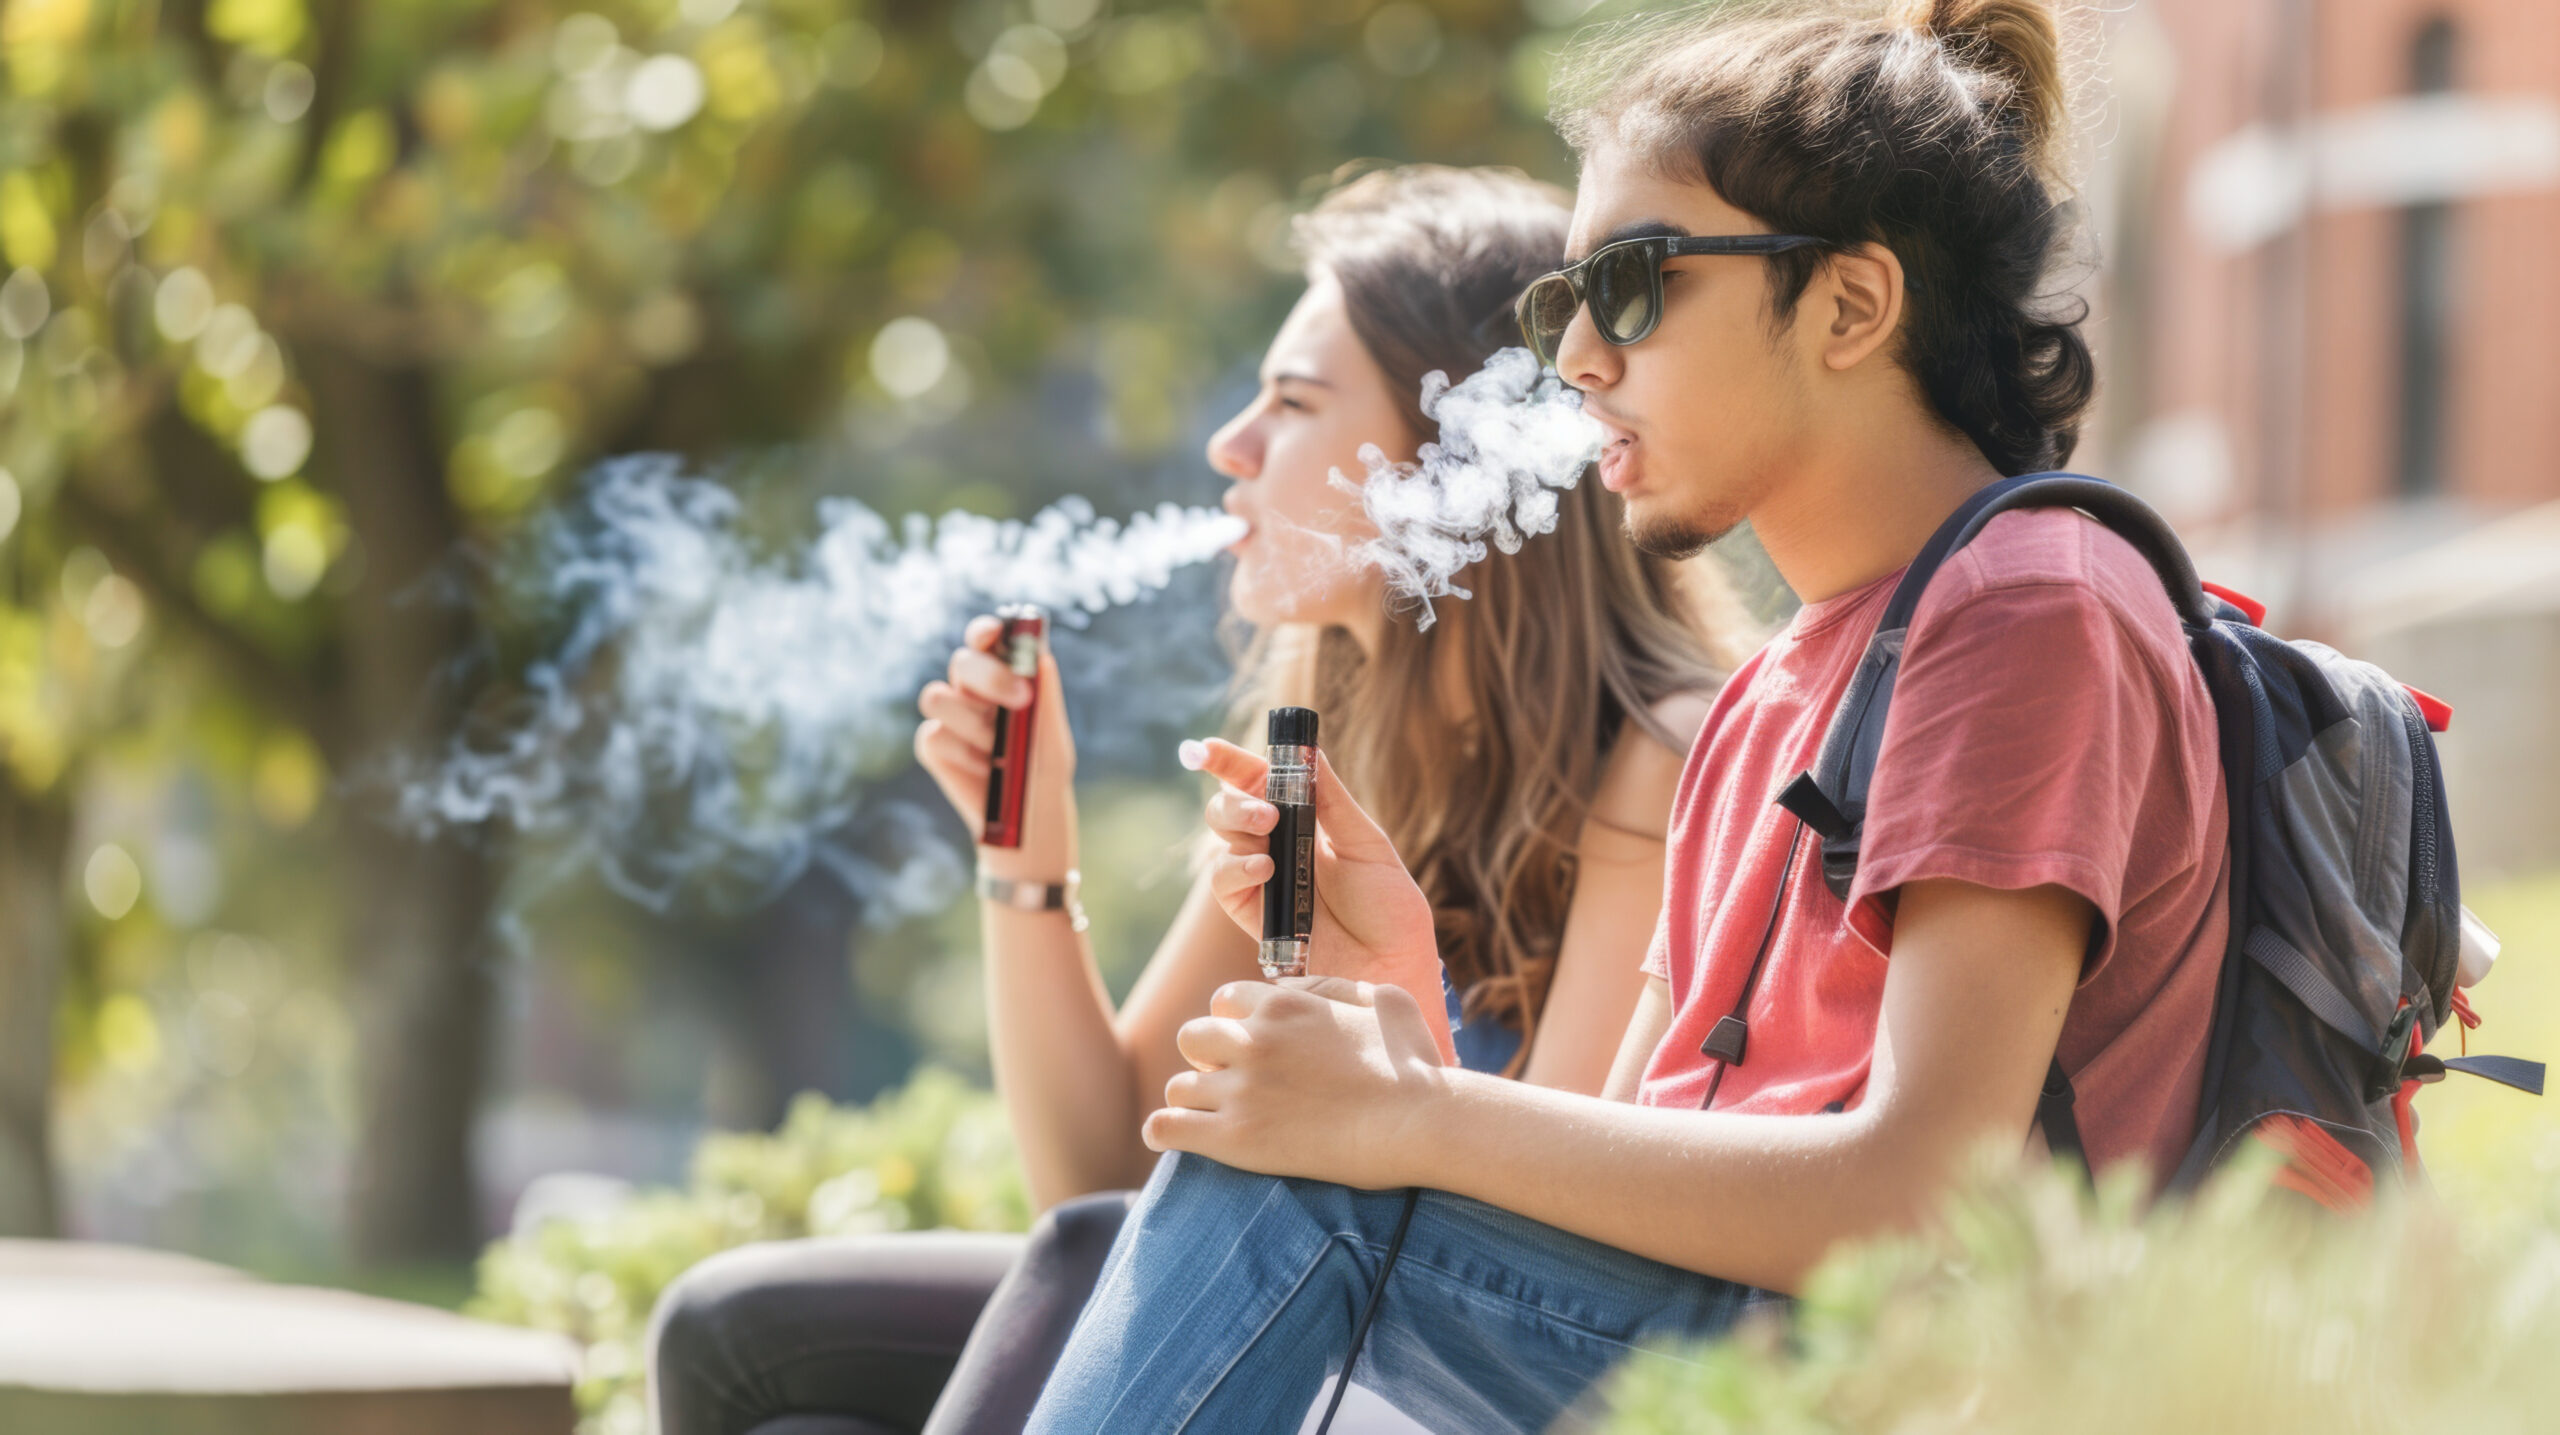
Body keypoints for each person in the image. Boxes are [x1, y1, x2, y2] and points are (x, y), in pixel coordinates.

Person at [1024, 2, 2233, 1432]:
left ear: (1851, 304)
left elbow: (1919, 1196)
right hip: (1743, 1348)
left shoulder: (2028, 614)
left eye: (1635, 284)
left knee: (1280, 1178)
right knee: (1267, 1153)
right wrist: (1410, 1004)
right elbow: (1622, 1163)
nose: (1582, 356)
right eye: (1565, 304)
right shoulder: (1783, 684)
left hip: (1917, 1382)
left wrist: (1408, 1112)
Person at [647, 164, 1752, 1435]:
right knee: (742, 1343)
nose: (1231, 447)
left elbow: (1523, 1275)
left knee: (1074, 1268)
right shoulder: (1329, 754)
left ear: (1452, 449)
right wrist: (1025, 854)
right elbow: (1105, 1164)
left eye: (1289, 402)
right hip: (1273, 1295)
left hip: (1443, 1371)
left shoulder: (1658, 763)